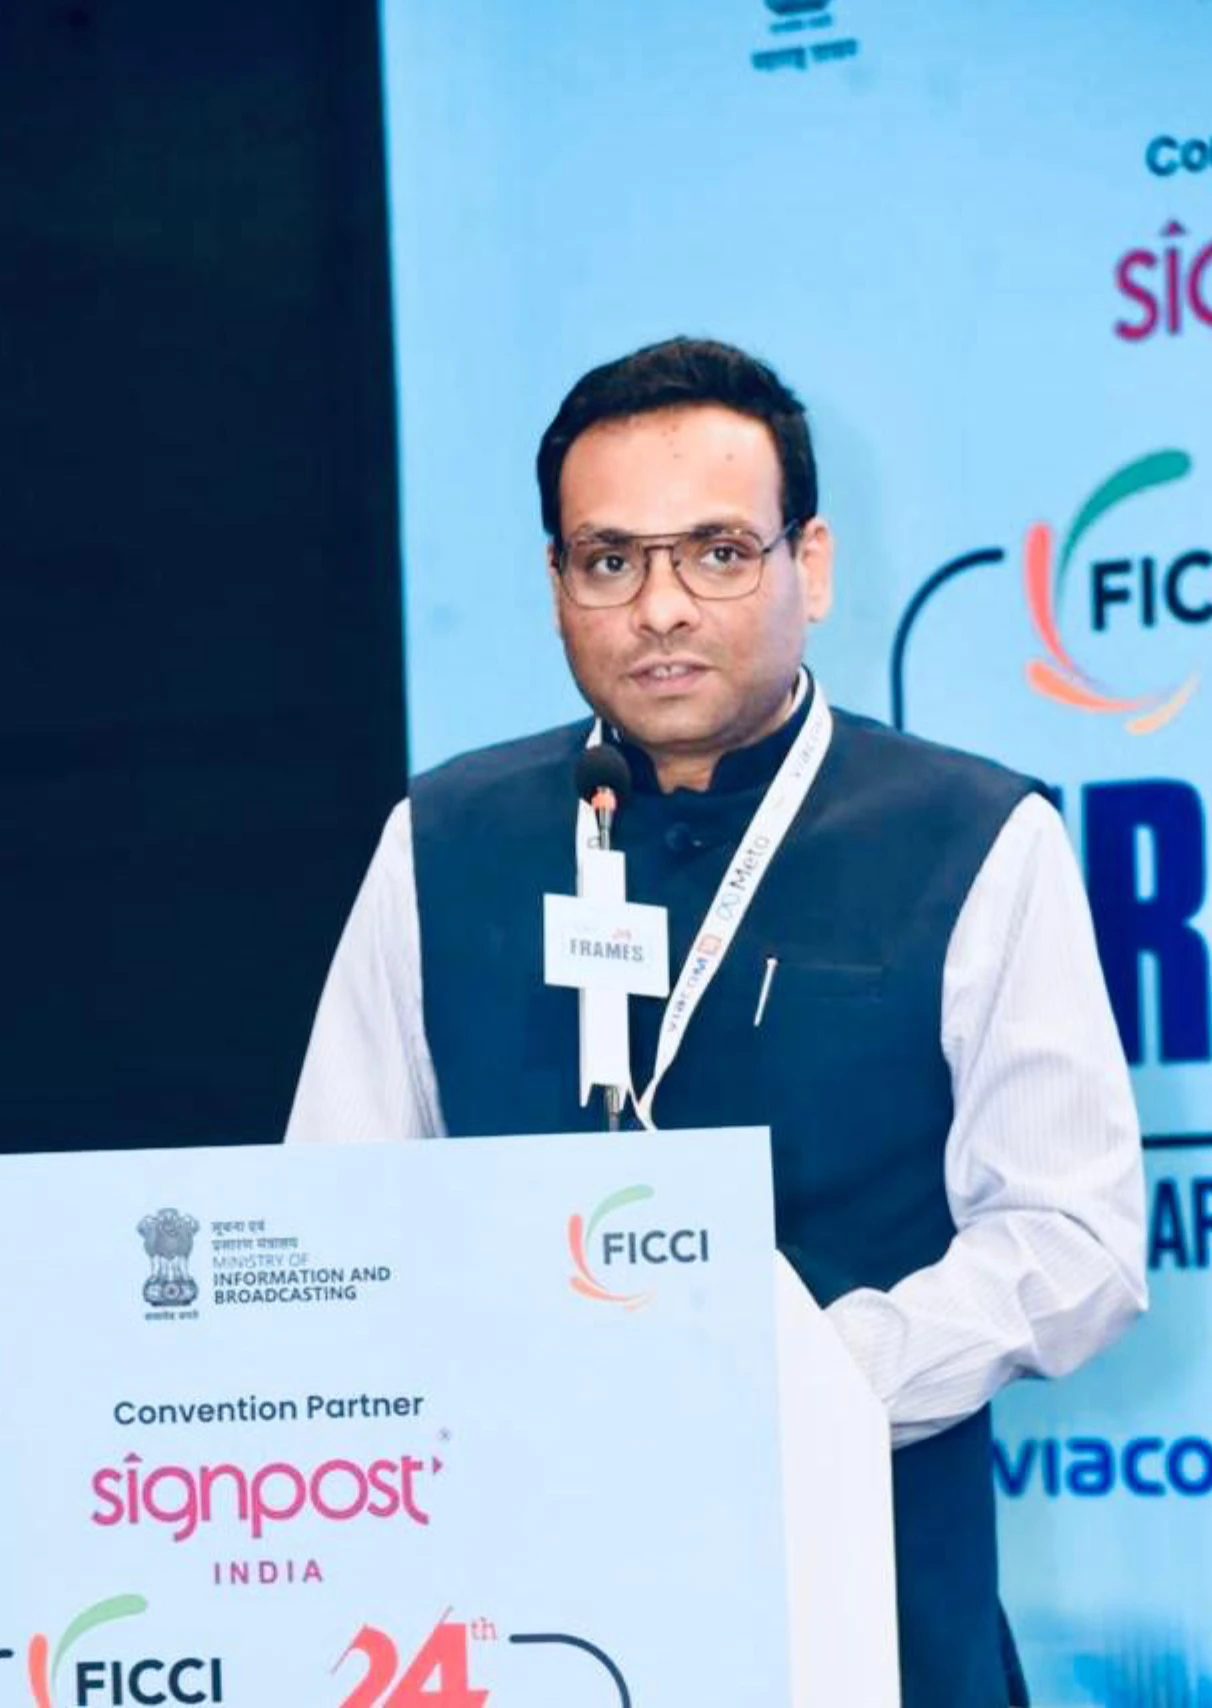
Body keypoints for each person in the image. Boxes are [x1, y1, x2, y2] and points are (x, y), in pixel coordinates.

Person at [286, 337, 1146, 1708]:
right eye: (609, 561)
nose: (661, 608)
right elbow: (333, 1227)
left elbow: (1075, 1239)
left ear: (812, 565)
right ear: (556, 584)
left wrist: (806, 1381)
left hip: (867, 1598)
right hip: (517, 1604)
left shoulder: (977, 835)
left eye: (719, 553)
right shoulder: (440, 839)